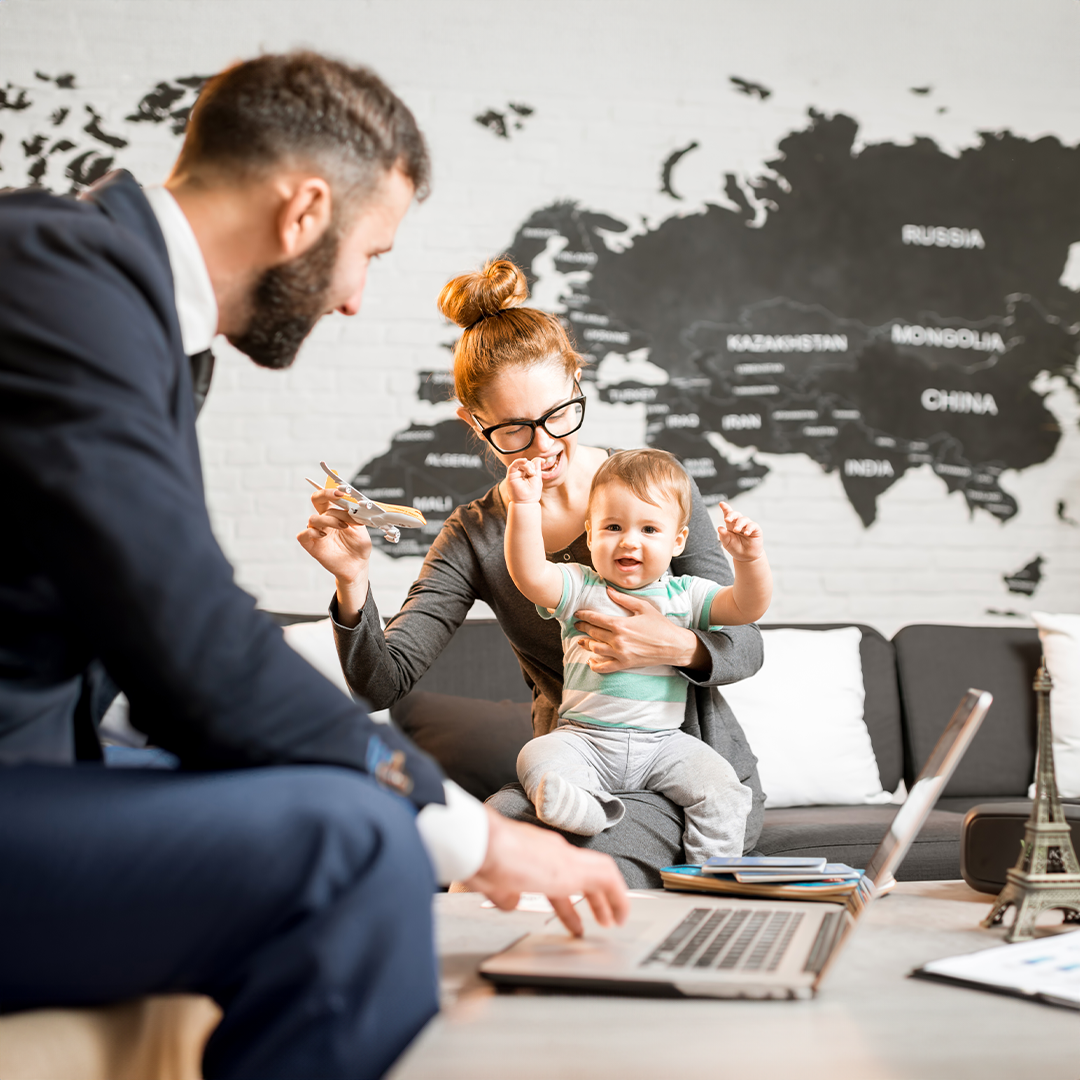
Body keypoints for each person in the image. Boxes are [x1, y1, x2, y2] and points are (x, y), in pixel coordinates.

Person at [0, 52, 628, 1080]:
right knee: (359, 850)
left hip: (43, 756)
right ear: (303, 214)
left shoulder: (106, 296)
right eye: (370, 254)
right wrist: (464, 830)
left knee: (372, 812)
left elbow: (169, 632)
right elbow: (187, 632)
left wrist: (418, 801)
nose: (351, 301)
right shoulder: (57, 279)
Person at [299, 258, 767, 888]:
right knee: (478, 848)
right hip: (575, 764)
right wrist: (352, 581)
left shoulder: (656, 489)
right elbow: (381, 684)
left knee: (583, 867)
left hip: (688, 771)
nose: (544, 446)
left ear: (577, 382)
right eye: (514, 430)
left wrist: (674, 643)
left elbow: (745, 643)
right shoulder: (476, 535)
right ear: (474, 422)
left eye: (557, 416)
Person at [505, 447, 772, 860]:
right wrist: (524, 505)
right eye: (613, 526)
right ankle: (584, 808)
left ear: (677, 541)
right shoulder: (580, 586)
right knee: (536, 754)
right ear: (590, 535)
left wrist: (749, 560)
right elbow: (529, 574)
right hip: (585, 740)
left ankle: (714, 872)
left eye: (649, 529)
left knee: (723, 787)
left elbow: (745, 608)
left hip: (664, 745)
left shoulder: (685, 596)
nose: (629, 540)